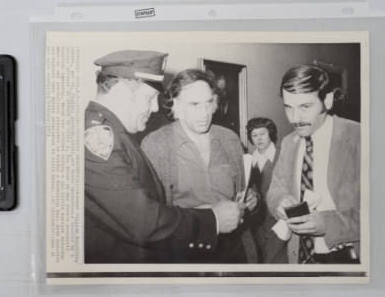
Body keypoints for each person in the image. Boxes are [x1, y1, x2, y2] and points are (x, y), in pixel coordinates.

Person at [84, 51, 244, 263]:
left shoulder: (116, 134)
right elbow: (143, 221)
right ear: (122, 90)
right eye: (149, 98)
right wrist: (212, 220)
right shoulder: (100, 139)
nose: (156, 107)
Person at [141, 69, 258, 263]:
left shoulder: (229, 139)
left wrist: (253, 200)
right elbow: (150, 216)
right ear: (175, 107)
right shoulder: (156, 145)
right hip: (186, 252)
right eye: (194, 104)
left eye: (208, 103)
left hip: (234, 251)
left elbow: (243, 191)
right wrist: (208, 216)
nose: (204, 113)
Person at [266, 64, 360, 264]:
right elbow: (275, 191)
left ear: (327, 100)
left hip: (349, 259)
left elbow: (384, 212)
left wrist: (328, 224)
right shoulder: (289, 142)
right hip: (299, 258)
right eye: (288, 108)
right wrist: (280, 202)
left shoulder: (360, 137)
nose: (295, 119)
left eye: (305, 107)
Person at [245, 117, 287, 263]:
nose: (259, 138)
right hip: (257, 223)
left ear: (271, 133)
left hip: (279, 220)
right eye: (254, 135)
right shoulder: (248, 161)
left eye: (262, 133)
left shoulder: (283, 155)